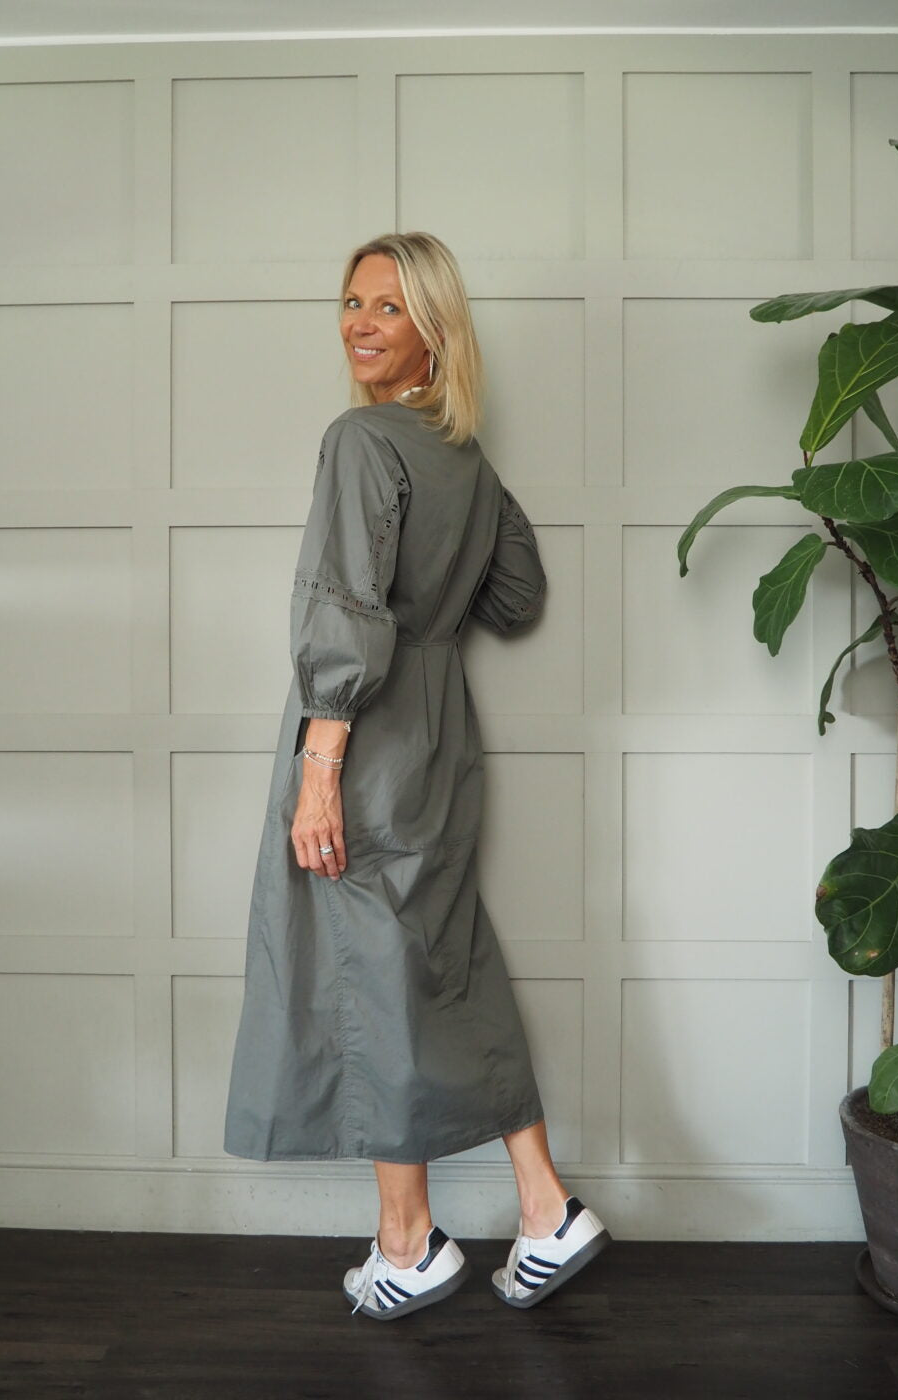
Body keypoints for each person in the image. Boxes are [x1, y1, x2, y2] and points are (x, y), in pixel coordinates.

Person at [223, 231, 611, 1318]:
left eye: (388, 307)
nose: (359, 323)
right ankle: (545, 1206)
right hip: (444, 740)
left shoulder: (361, 440)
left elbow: (345, 606)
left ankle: (408, 1241)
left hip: (368, 740)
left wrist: (319, 768)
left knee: (375, 974)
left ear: (434, 330)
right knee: (448, 960)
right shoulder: (465, 460)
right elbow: (517, 597)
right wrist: (452, 541)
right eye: (351, 302)